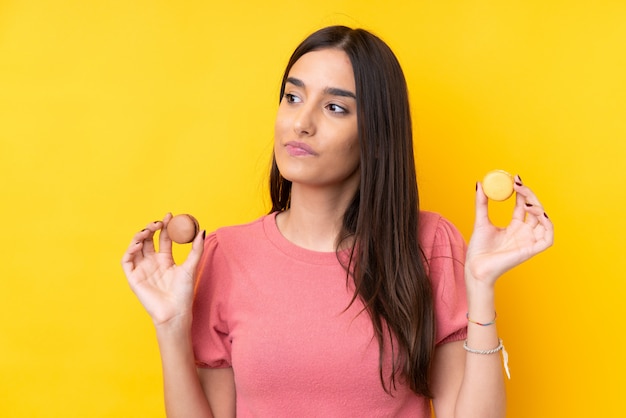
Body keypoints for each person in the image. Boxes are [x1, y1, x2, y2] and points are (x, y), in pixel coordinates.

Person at [121, 26, 553, 418]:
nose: (301, 123)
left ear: (377, 136)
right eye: (292, 97)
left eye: (334, 107)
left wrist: (480, 289)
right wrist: (171, 329)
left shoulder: (429, 244)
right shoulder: (226, 254)